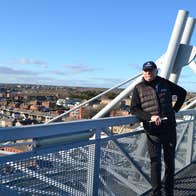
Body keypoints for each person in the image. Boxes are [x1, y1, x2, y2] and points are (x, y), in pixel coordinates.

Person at [130, 61, 187, 196]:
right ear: (143, 72)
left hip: (169, 128)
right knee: (155, 163)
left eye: (151, 70)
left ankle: (169, 192)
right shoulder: (138, 88)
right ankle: (157, 193)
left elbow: (182, 93)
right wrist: (150, 116)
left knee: (169, 163)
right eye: (146, 71)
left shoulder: (165, 83)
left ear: (156, 71)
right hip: (152, 131)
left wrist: (175, 110)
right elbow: (134, 109)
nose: (148, 73)